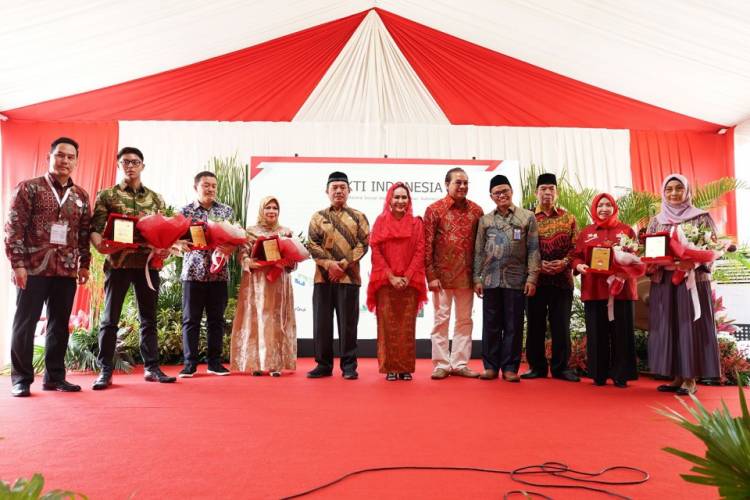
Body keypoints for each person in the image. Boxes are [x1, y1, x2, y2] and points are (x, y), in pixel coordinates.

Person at [4, 137, 91, 397]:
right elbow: (13, 229)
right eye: (60, 155)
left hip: (65, 270)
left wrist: (84, 265)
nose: (65, 161)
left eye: (70, 157)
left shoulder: (80, 195)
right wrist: (17, 264)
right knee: (25, 323)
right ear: (49, 157)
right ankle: (21, 379)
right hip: (32, 268)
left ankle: (55, 377)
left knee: (59, 324)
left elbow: (84, 233)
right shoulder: (29, 189)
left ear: (76, 161)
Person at [89, 147, 176, 389]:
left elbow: (163, 231)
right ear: (118, 165)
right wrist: (101, 247)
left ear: (142, 166)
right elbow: (95, 228)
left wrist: (165, 247)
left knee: (148, 319)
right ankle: (105, 370)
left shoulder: (156, 198)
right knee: (110, 319)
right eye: (126, 162)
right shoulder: (107, 195)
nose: (131, 166)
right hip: (118, 264)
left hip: (148, 266)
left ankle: (152, 368)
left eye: (135, 162)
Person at [647, 174, 721, 396]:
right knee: (669, 326)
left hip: (692, 282)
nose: (674, 193)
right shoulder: (656, 220)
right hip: (664, 282)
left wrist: (692, 261)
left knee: (690, 326)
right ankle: (677, 376)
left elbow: (712, 250)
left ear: (687, 191)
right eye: (669, 189)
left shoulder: (702, 217)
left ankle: (690, 379)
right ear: (663, 192)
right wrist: (651, 261)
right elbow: (650, 250)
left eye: (679, 188)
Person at [473, 175, 540, 382]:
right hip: (491, 280)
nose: (501, 195)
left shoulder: (527, 217)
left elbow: (533, 249)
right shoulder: (486, 220)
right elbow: (479, 252)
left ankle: (510, 367)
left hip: (516, 279)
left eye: (505, 191)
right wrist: (477, 277)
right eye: (497, 193)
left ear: (512, 191)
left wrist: (532, 278)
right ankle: (491, 366)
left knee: (514, 324)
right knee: (491, 323)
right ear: (491, 196)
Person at [306, 172, 369, 379]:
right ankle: (323, 365)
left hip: (349, 278)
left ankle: (349, 366)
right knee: (321, 324)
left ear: (349, 190)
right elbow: (312, 245)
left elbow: (363, 244)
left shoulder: (359, 217)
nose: (339, 191)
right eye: (335, 187)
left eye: (343, 187)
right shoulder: (318, 217)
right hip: (322, 278)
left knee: (348, 324)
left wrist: (341, 265)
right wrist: (329, 265)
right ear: (327, 191)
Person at [571, 193, 639, 387]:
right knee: (596, 332)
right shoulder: (586, 233)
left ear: (614, 207)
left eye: (608, 205)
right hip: (594, 289)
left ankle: (621, 374)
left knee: (622, 332)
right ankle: (598, 374)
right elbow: (576, 257)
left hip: (621, 290)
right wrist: (578, 266)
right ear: (594, 208)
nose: (604, 209)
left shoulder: (626, 231)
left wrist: (625, 268)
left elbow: (637, 256)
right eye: (600, 205)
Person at [424, 167, 484, 379]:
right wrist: (430, 275)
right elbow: (427, 245)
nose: (462, 186)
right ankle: (441, 364)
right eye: (458, 182)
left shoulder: (477, 211)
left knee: (465, 320)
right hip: (441, 277)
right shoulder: (434, 210)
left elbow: (480, 248)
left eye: (466, 182)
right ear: (446, 184)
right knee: (441, 320)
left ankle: (459, 363)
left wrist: (479, 277)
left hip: (467, 277)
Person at [367, 183, 427, 381]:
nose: (401, 201)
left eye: (404, 197)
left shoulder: (417, 224)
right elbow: (376, 251)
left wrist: (407, 276)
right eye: (397, 197)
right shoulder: (380, 221)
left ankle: (405, 368)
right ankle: (390, 367)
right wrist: (391, 276)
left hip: (409, 283)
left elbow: (420, 251)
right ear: (389, 200)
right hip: (386, 283)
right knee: (387, 326)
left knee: (406, 327)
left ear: (409, 200)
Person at [523, 173, 580, 382]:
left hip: (562, 281)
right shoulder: (527, 217)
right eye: (543, 188)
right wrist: (537, 266)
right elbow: (520, 249)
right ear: (536, 192)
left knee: (561, 325)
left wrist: (564, 263)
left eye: (551, 188)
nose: (547, 192)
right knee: (535, 325)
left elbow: (577, 247)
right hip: (535, 282)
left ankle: (561, 368)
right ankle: (536, 367)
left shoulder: (569, 218)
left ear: (556, 192)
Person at [231, 196, 297, 376]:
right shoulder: (251, 231)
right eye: (268, 207)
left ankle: (275, 364)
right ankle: (257, 363)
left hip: (278, 282)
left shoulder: (286, 232)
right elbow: (242, 254)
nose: (271, 211)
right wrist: (248, 262)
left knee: (276, 320)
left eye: (275, 208)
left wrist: (289, 261)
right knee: (258, 318)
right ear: (262, 210)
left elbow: (292, 260)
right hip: (258, 282)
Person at [176, 171, 234, 378]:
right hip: (193, 273)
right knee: (190, 320)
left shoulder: (225, 211)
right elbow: (174, 239)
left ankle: (215, 363)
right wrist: (179, 244)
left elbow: (232, 239)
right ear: (196, 188)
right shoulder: (184, 211)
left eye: (213, 186)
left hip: (219, 274)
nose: (210, 189)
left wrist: (230, 249)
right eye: (205, 185)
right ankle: (189, 364)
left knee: (216, 320)